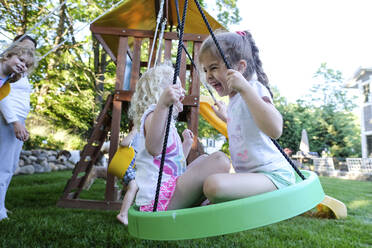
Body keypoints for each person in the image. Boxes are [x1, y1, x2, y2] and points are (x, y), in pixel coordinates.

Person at [197, 30, 296, 204]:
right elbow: (245, 124)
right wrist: (225, 115)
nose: (208, 76)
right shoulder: (234, 99)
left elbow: (275, 129)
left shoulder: (253, 88)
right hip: (251, 177)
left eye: (213, 67)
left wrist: (245, 88)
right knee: (207, 182)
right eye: (205, 70)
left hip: (274, 176)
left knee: (213, 185)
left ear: (240, 68)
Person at [130, 63, 230, 212]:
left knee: (204, 159)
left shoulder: (168, 124)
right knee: (220, 160)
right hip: (159, 198)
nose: (182, 91)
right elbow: (153, 148)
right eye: (176, 87)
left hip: (169, 189)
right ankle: (204, 201)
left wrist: (186, 145)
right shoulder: (152, 115)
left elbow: (173, 165)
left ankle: (201, 200)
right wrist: (163, 105)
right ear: (161, 92)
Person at [0, 35, 37, 221]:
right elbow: (4, 98)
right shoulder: (5, 72)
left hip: (18, 119)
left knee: (10, 165)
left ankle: (1, 206)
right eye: (25, 48)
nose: (28, 54)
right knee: (4, 166)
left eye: (32, 51)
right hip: (9, 119)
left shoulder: (17, 76)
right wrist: (15, 122)